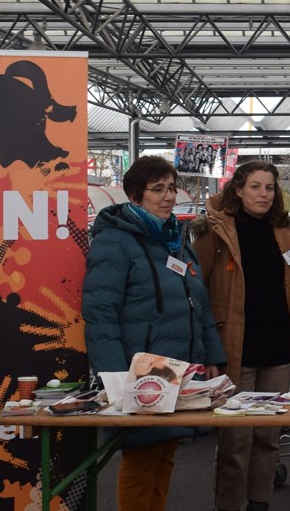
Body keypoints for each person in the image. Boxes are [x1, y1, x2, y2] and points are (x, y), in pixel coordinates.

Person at [82, 156, 225, 511]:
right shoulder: (115, 240)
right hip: (140, 371)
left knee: (165, 454)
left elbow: (200, 305)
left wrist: (209, 357)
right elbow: (100, 312)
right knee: (141, 458)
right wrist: (113, 375)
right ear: (135, 195)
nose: (168, 196)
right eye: (157, 189)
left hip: (179, 367)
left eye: (172, 188)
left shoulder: (176, 240)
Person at [192, 160, 290, 511]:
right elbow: (197, 289)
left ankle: (260, 503)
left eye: (269, 188)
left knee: (269, 438)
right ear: (238, 190)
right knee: (235, 441)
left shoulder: (284, 232)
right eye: (255, 186)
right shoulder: (217, 232)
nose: (263, 194)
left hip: (278, 347)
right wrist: (208, 348)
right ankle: (228, 505)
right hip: (236, 349)